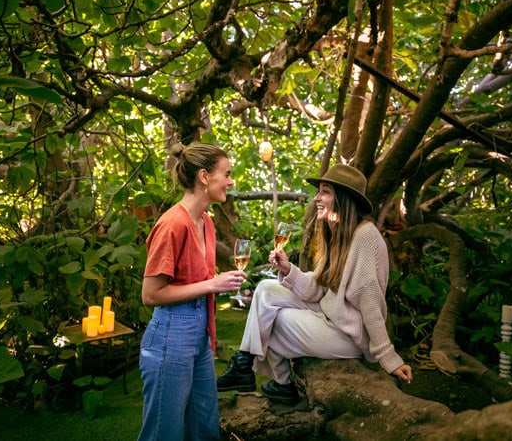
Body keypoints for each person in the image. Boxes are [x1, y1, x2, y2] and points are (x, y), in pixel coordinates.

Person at [217, 164, 413, 405]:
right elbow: (317, 287)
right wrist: (288, 270)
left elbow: (370, 301)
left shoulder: (366, 237)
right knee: (265, 290)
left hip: (348, 333)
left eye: (325, 192)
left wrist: (388, 357)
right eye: (319, 191)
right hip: (327, 313)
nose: (317, 198)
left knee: (275, 321)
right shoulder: (337, 231)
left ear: (343, 199)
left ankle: (282, 383)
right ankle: (244, 364)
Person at [138, 142, 247, 441]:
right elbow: (151, 295)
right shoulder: (172, 224)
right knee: (165, 432)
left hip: (200, 335)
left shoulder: (206, 222)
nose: (230, 180)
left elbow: (195, 279)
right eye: (226, 173)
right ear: (203, 176)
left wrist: (219, 282)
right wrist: (213, 284)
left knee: (204, 427)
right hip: (170, 335)